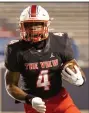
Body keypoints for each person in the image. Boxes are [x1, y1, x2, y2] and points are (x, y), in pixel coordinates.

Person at [4, 5, 86, 113]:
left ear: (46, 25)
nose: (33, 28)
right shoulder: (15, 49)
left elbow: (73, 66)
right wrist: (30, 99)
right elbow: (11, 85)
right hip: (35, 105)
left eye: (37, 24)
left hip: (61, 101)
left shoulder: (59, 41)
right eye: (29, 25)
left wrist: (81, 80)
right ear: (22, 26)